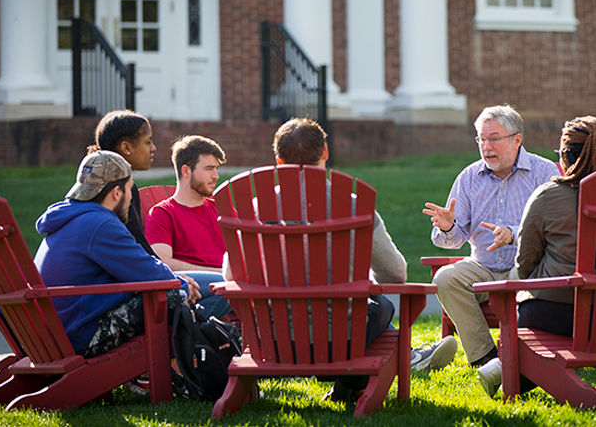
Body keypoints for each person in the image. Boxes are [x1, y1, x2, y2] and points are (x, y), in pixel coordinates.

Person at [223, 117, 455, 402]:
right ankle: (355, 384)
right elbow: (395, 274)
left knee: (370, 311)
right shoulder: (356, 206)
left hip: (273, 339)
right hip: (340, 341)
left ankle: (350, 386)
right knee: (379, 307)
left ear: (279, 162)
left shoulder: (253, 210)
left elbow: (230, 275)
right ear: (325, 152)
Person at [476, 115, 596, 396]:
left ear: (565, 157)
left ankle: (506, 369)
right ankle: (501, 369)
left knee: (525, 308)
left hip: (556, 313)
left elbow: (525, 264)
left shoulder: (548, 196)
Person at [421, 105, 560, 368]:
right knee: (446, 277)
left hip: (527, 267)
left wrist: (515, 236)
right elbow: (451, 241)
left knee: (523, 277)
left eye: (494, 138)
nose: (486, 146)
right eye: (481, 139)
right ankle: (486, 358)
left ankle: (522, 360)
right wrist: (449, 227)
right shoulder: (469, 177)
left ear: (517, 139)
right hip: (483, 267)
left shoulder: (545, 173)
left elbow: (557, 231)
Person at [34, 150, 197, 357]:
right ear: (116, 193)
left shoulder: (70, 218)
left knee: (171, 289)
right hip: (78, 336)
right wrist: (182, 285)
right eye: (130, 189)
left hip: (58, 331)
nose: (131, 196)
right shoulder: (100, 224)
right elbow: (145, 270)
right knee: (174, 295)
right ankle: (183, 369)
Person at [145, 135, 231, 319]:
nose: (215, 176)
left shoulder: (221, 208)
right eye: (209, 169)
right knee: (228, 286)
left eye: (216, 169)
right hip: (196, 291)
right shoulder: (162, 213)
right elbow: (162, 262)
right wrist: (220, 274)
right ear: (186, 171)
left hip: (233, 288)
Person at [88, 110, 158, 257]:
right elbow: (140, 247)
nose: (153, 148)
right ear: (126, 148)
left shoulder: (92, 185)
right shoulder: (120, 190)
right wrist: (175, 277)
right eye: (148, 141)